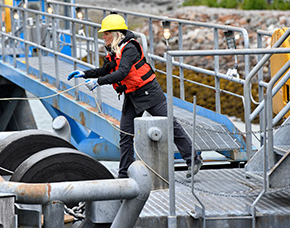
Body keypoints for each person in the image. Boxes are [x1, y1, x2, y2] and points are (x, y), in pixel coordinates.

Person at [68, 14, 202, 178]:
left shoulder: (129, 48)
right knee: (125, 135)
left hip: (149, 93)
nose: (103, 37)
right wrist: (84, 73)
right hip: (132, 96)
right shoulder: (114, 50)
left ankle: (193, 159)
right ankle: (124, 174)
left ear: (116, 34)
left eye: (106, 34)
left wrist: (98, 82)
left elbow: (122, 73)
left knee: (170, 125)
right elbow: (105, 70)